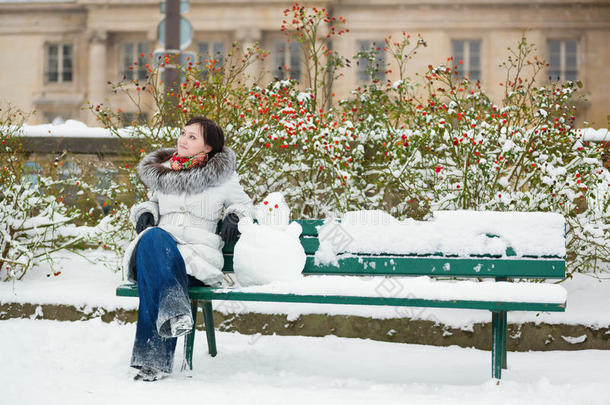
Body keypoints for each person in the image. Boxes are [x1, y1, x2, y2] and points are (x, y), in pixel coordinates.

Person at [122, 116, 253, 381]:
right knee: (154, 238)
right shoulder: (165, 172)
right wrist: (145, 212)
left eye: (192, 137)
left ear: (207, 148)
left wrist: (235, 216)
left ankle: (153, 361)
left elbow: (246, 205)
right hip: (161, 248)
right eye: (183, 133)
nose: (183, 139)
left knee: (154, 270)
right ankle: (174, 309)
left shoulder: (224, 178)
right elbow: (152, 204)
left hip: (196, 256)